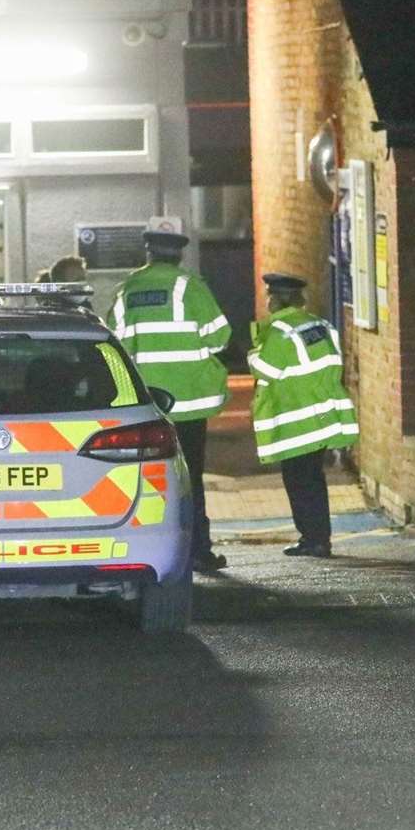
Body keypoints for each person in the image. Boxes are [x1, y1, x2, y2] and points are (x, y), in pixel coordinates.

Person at [107, 221, 232, 572]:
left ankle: (150, 549)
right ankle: (197, 550)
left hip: (147, 407)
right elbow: (220, 337)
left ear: (147, 252)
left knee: (150, 479)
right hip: (189, 403)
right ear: (178, 254)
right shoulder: (189, 287)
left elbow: (115, 346)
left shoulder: (127, 290)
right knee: (190, 478)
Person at [246, 274, 358, 558]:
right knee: (313, 480)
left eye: (269, 296)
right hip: (320, 416)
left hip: (297, 421)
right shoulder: (321, 326)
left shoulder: (280, 331)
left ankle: (313, 540)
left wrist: (252, 355)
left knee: (298, 482)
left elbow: (266, 370)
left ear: (276, 299)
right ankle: (319, 537)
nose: (267, 301)